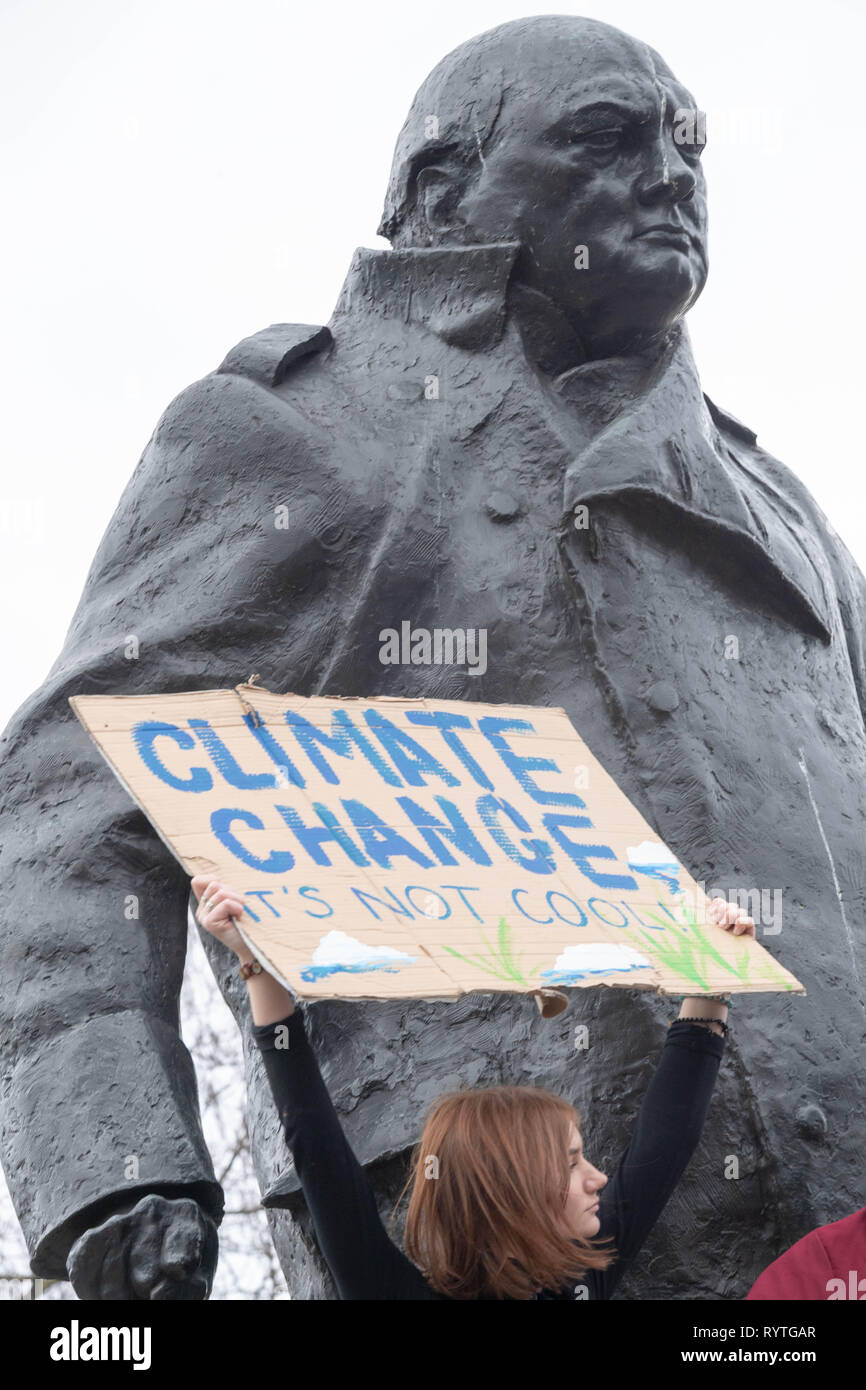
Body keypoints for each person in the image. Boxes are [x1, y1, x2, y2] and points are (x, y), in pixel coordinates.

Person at [193, 873, 753, 1300]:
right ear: (513, 1188)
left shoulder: (580, 1280)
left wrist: (713, 978)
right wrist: (254, 962)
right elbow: (315, 1147)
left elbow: (665, 1142)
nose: (598, 1178)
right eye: (573, 1162)